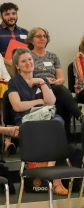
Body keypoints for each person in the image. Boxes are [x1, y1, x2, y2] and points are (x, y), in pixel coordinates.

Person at [8, 48, 68, 195]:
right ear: (17, 65)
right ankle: (56, 181)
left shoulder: (42, 80)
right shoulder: (14, 82)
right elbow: (17, 106)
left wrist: (41, 82)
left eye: (30, 59)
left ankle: (52, 175)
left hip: (46, 118)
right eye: (23, 61)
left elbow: (52, 101)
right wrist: (40, 101)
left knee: (57, 124)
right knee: (51, 129)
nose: (28, 63)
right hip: (26, 120)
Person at [28, 27, 84, 138]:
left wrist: (55, 81)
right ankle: (79, 116)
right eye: (39, 36)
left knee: (62, 101)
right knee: (60, 90)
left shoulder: (52, 56)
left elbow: (61, 78)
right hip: (37, 88)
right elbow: (27, 77)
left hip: (54, 87)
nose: (43, 38)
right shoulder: (28, 56)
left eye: (44, 36)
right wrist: (45, 81)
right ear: (31, 40)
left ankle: (65, 144)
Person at [0, 2, 28, 76]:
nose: (11, 16)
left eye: (13, 13)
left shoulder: (25, 32)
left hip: (24, 68)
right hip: (4, 68)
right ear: (1, 16)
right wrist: (8, 62)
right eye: (7, 14)